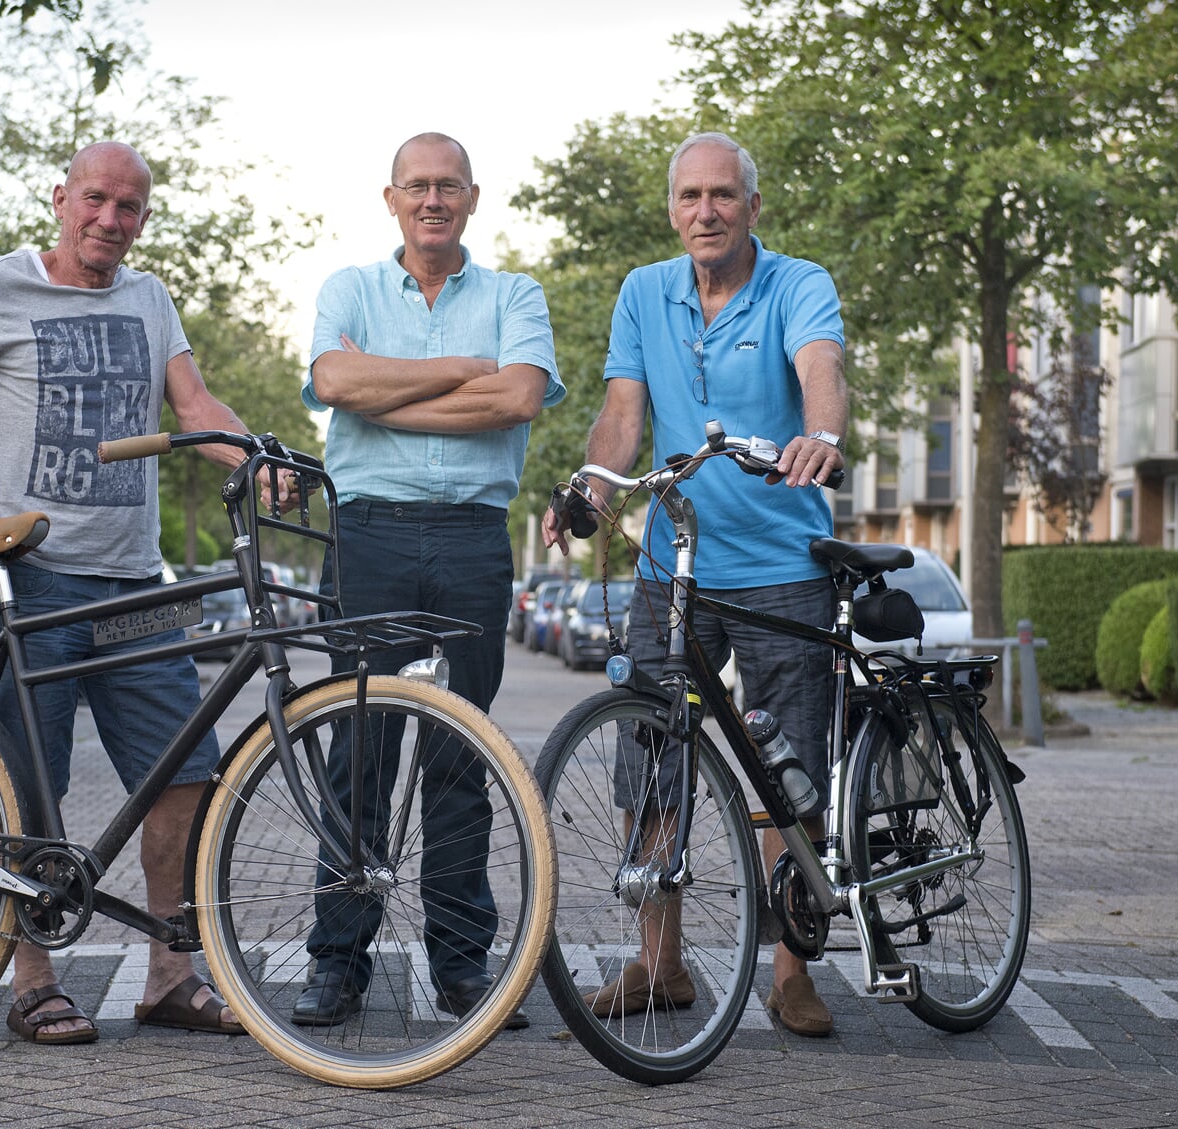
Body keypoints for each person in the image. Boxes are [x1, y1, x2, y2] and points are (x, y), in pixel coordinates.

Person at [0, 141, 265, 1045]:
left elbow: (193, 403)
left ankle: (169, 975)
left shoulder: (149, 298)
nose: (108, 221)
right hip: (30, 579)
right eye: (95, 200)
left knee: (182, 780)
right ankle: (32, 980)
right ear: (60, 200)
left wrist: (257, 456)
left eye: (127, 208)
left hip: (138, 581)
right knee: (26, 794)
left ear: (142, 220)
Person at [542, 131, 848, 1038]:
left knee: (786, 772)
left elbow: (820, 369)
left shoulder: (797, 283)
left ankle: (791, 967)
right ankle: (660, 963)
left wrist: (821, 436)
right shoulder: (644, 291)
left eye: (723, 196)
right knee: (647, 758)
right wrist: (594, 483)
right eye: (689, 197)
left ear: (753, 208)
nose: (705, 212)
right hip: (671, 568)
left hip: (783, 568)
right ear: (672, 208)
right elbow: (622, 410)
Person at [296, 132, 562, 1029]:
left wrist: (388, 395)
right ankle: (337, 961)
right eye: (418, 186)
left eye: (448, 185)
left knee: (461, 758)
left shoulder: (515, 294)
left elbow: (518, 399)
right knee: (357, 752)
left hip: (471, 542)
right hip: (367, 538)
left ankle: (460, 968)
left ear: (473, 198)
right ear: (391, 198)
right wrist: (459, 371)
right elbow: (334, 380)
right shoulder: (351, 288)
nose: (433, 199)